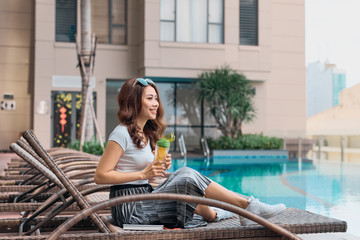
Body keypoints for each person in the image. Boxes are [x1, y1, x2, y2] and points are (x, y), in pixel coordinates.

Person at [94, 77, 286, 228]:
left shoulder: (144, 134)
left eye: (156, 98)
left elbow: (143, 175)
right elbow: (101, 176)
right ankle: (247, 206)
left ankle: (244, 209)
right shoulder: (121, 133)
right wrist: (144, 173)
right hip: (130, 209)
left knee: (196, 196)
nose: (156, 103)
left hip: (143, 198)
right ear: (135, 102)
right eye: (149, 98)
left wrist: (157, 167)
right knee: (186, 175)